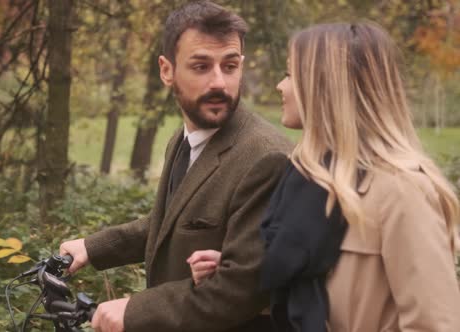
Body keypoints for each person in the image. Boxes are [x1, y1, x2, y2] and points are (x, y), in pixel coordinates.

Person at [189, 22, 460, 331]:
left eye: (291, 75)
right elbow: (311, 288)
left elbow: (434, 324)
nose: (281, 85)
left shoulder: (403, 190)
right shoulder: (307, 178)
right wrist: (229, 269)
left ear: (325, 86)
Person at [59, 1, 293, 332]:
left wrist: (135, 310)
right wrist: (92, 248)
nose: (219, 83)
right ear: (167, 70)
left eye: (229, 66)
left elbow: (243, 288)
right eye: (201, 67)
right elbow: (177, 223)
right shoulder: (183, 140)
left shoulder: (266, 159)